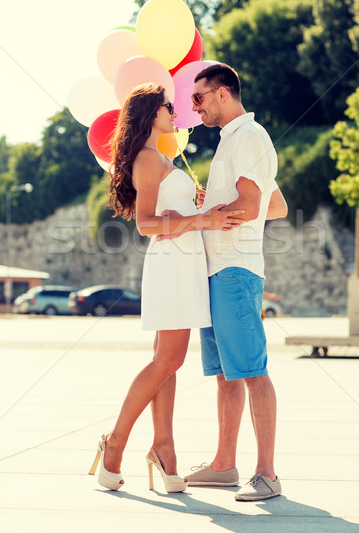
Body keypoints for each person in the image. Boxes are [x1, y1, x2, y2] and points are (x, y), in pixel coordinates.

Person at [88, 83, 244, 493]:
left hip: (185, 263)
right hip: (172, 265)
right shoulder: (145, 158)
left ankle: (163, 447)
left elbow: (169, 216)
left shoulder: (160, 157)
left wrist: (196, 208)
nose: (175, 111)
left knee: (166, 361)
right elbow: (145, 225)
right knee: (169, 360)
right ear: (149, 113)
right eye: (168, 106)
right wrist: (201, 221)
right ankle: (115, 442)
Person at [183, 63, 288, 501]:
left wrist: (208, 213)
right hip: (219, 269)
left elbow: (248, 206)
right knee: (227, 375)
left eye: (199, 98)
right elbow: (276, 205)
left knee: (252, 371)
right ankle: (225, 465)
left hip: (235, 270)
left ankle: (267, 473)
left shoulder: (249, 136)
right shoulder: (235, 141)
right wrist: (220, 201)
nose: (195, 108)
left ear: (223, 93)